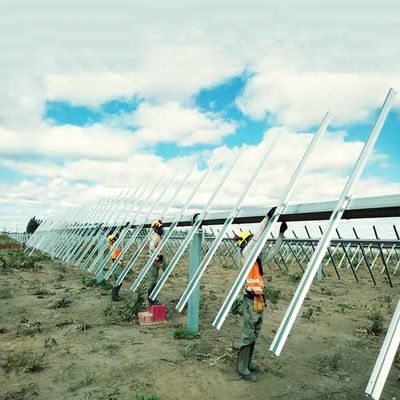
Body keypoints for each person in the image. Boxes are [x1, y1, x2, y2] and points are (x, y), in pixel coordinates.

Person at [233, 207, 288, 382]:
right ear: (246, 243)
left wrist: (280, 234)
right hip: (250, 299)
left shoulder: (257, 260)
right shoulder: (247, 254)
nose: (255, 243)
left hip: (258, 300)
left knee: (255, 330)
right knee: (248, 333)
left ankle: (248, 364)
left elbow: (274, 252)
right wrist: (266, 219)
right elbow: (256, 238)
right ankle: (242, 368)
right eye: (249, 240)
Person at [147, 220, 164, 305]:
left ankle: (151, 297)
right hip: (154, 261)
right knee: (153, 280)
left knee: (154, 278)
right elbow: (151, 248)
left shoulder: (157, 236)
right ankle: (151, 298)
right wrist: (158, 256)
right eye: (160, 228)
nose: (162, 229)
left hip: (155, 260)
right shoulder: (156, 237)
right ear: (156, 229)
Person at [107, 234, 124, 301]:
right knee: (119, 280)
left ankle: (114, 294)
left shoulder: (113, 245)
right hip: (117, 264)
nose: (114, 240)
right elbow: (114, 258)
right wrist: (119, 262)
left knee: (117, 280)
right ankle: (114, 296)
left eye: (114, 239)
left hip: (116, 263)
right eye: (113, 239)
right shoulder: (114, 246)